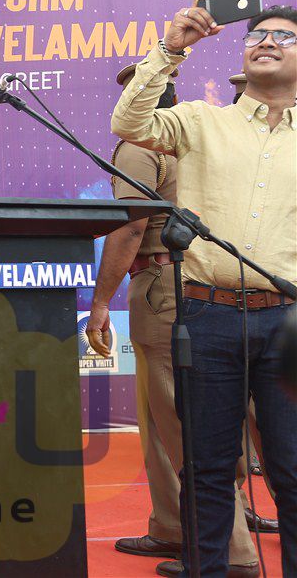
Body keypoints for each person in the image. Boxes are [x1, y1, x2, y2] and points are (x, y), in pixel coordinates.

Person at [112, 1, 296, 578]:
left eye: (283, 36)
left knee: (291, 472)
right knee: (207, 469)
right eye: (257, 35)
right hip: (207, 316)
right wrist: (171, 48)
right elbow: (130, 124)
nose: (265, 41)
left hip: (289, 322)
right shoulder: (198, 121)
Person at [89, 65, 263, 574]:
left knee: (183, 420)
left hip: (163, 286)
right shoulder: (211, 140)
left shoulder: (143, 144)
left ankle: (229, 552)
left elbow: (129, 228)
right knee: (165, 414)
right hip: (208, 288)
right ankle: (173, 527)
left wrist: (100, 303)